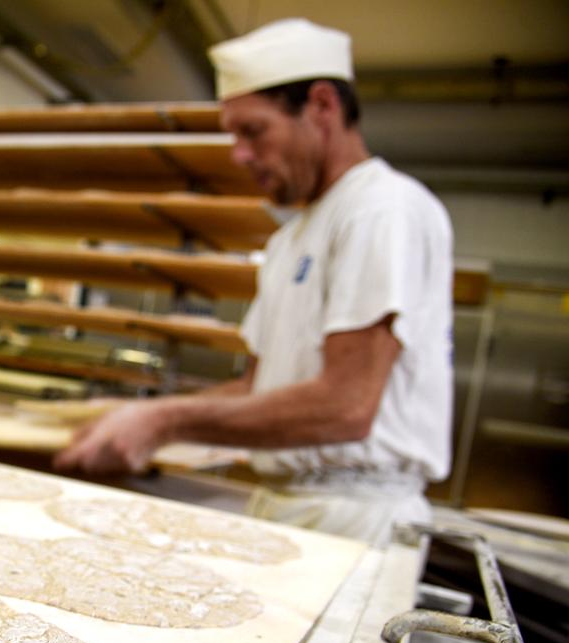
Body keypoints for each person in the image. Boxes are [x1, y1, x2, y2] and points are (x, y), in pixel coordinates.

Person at [55, 18, 454, 547]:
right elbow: (256, 389)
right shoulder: (291, 238)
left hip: (358, 519)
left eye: (253, 131)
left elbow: (347, 407)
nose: (239, 154)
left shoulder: (381, 209)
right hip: (288, 506)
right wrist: (130, 415)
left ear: (322, 106)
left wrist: (165, 421)